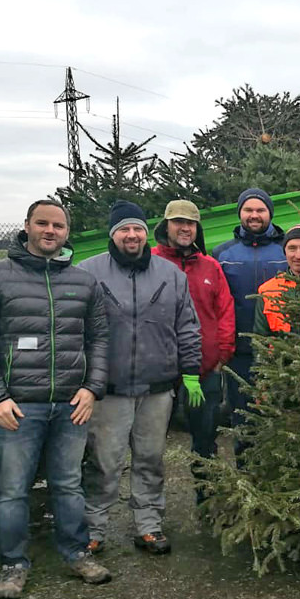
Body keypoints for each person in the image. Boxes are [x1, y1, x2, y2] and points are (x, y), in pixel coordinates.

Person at [0, 199, 113, 599]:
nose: (50, 231)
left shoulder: (84, 283)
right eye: (42, 223)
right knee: (13, 488)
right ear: (26, 226)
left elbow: (99, 339)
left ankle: (76, 552)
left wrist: (91, 388)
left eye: (58, 225)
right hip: (17, 407)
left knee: (69, 484)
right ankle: (13, 565)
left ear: (67, 232)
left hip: (71, 405)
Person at [79, 200, 201, 556]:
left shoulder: (171, 275)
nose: (131, 235)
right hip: (109, 389)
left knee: (150, 458)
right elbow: (76, 330)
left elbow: (188, 326)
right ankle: (93, 528)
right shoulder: (89, 273)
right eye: (124, 229)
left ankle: (148, 525)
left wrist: (190, 371)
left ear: (146, 233)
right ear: (112, 234)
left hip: (157, 387)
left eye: (137, 229)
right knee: (104, 461)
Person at [151, 200, 235, 503]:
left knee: (206, 440)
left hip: (204, 370)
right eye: (178, 222)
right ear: (166, 226)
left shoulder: (210, 266)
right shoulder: (151, 262)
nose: (185, 228)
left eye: (190, 223)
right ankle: (151, 512)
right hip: (160, 373)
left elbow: (225, 309)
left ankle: (208, 499)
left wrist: (223, 353)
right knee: (150, 445)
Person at [212, 188, 288, 458]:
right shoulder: (222, 253)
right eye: (248, 210)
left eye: (260, 210)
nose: (254, 215)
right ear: (240, 213)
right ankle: (246, 476)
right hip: (240, 352)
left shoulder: (287, 250)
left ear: (270, 213)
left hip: (282, 352)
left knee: (283, 416)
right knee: (242, 417)